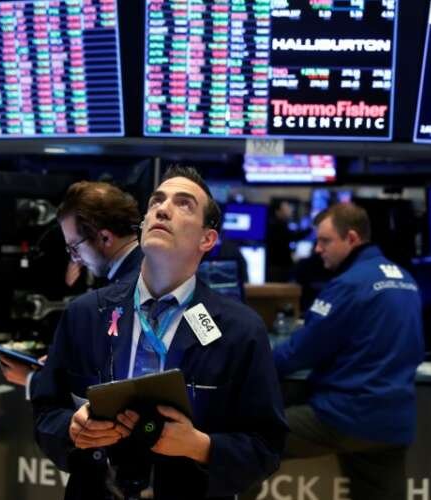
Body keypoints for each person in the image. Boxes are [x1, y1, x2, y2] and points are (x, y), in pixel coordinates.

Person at [31, 166, 287, 499]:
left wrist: (201, 446)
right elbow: (46, 412)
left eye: (184, 204)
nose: (162, 209)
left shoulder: (239, 330)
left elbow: (266, 446)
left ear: (207, 239)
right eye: (156, 202)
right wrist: (71, 430)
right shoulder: (86, 313)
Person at [272, 202, 424, 500]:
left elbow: (298, 353)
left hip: (344, 416)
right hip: (393, 423)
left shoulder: (348, 285)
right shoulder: (407, 280)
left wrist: (250, 366)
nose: (318, 249)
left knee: (252, 441)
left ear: (352, 238)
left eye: (325, 240)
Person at [0, 181, 144, 391]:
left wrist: (32, 380)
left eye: (74, 247)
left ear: (105, 237)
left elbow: (110, 380)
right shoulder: (144, 269)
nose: (75, 258)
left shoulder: (120, 293)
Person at [266, 199, 312, 282]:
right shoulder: (276, 225)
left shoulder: (278, 223)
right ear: (278, 211)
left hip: (278, 266)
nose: (290, 210)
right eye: (286, 208)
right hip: (278, 267)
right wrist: (311, 228)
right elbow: (293, 236)